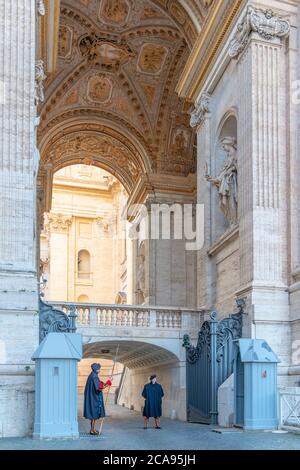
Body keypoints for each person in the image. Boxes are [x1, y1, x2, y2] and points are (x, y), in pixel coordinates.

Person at [83, 363, 112, 435]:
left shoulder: (92, 375)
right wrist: (109, 382)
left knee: (93, 414)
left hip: (92, 397)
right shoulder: (94, 376)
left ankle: (92, 429)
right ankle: (92, 430)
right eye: (99, 369)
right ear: (96, 369)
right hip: (94, 398)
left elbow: (99, 384)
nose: (100, 370)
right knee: (94, 414)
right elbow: (100, 387)